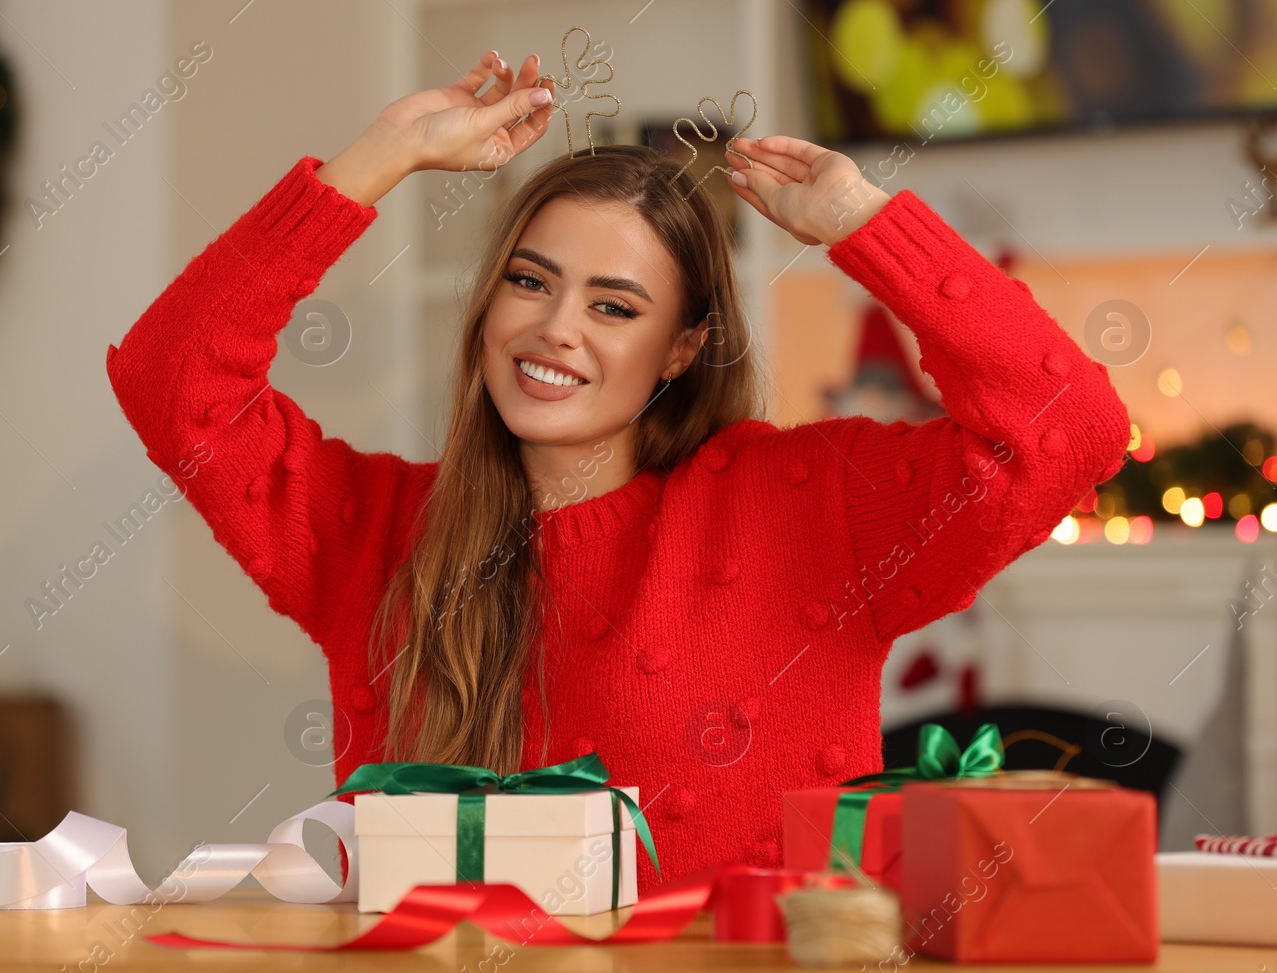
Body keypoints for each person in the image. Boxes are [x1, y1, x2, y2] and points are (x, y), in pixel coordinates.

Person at [107, 49, 1132, 886]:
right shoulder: (372, 528)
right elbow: (169, 378)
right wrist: (386, 153)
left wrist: (869, 227)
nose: (554, 330)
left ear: (680, 348)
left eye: (614, 306)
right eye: (529, 281)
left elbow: (1066, 432)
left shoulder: (806, 509)